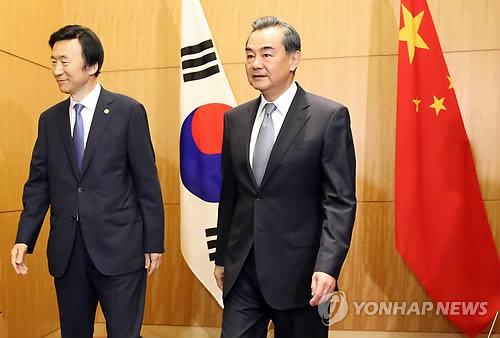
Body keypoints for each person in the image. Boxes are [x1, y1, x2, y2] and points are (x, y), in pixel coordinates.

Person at [10, 25, 164, 338]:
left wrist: (153, 243)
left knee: (124, 333)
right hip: (68, 251)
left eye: (64, 62)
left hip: (120, 249)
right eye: (53, 61)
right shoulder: (50, 120)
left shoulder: (128, 112)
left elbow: (147, 183)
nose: (56, 70)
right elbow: (39, 184)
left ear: (91, 66)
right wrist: (25, 237)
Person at [214, 16, 357, 337]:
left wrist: (328, 266)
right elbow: (231, 195)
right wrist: (223, 256)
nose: (255, 63)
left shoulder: (328, 117)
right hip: (243, 271)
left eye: (266, 54)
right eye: (249, 55)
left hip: (302, 275)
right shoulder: (234, 120)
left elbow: (340, 202)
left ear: (294, 59)